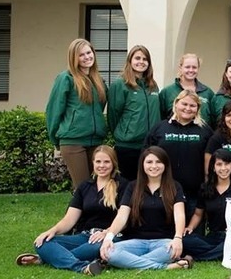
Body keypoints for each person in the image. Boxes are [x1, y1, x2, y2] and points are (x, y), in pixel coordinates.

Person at [16, 146, 127, 275]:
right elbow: (70, 219)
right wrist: (52, 231)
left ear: (113, 163)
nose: (102, 165)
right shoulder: (84, 187)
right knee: (42, 243)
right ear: (93, 163)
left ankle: (46, 259)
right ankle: (81, 267)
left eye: (106, 162)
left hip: (110, 237)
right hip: (85, 236)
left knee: (91, 249)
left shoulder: (123, 185)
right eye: (98, 162)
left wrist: (107, 233)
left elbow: (124, 218)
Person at [100, 146, 192, 271]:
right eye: (149, 162)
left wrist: (177, 238)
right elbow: (122, 216)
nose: (154, 166)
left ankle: (127, 262)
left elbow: (179, 215)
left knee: (170, 251)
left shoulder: (175, 186)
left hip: (164, 242)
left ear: (165, 165)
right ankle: (166, 267)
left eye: (158, 162)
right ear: (142, 165)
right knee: (110, 252)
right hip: (136, 241)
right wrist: (109, 237)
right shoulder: (133, 186)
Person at [45, 38, 108, 189]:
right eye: (81, 55)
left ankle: (91, 213)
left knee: (97, 186)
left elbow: (99, 107)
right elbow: (53, 111)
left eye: (89, 52)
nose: (87, 57)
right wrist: (56, 139)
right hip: (73, 142)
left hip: (95, 142)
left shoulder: (98, 80)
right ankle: (73, 213)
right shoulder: (65, 78)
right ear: (74, 58)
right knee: (82, 188)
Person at [146, 90, 214, 220]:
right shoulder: (160, 128)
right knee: (167, 236)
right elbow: (146, 157)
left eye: (193, 105)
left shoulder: (205, 131)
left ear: (198, 108)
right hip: (164, 192)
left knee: (192, 236)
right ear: (176, 104)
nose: (188, 108)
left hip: (194, 193)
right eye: (184, 104)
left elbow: (212, 160)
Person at [183, 149, 231, 261]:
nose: (223, 168)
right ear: (213, 167)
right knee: (185, 241)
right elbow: (198, 214)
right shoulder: (205, 188)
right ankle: (220, 253)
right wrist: (190, 227)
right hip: (213, 236)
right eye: (219, 164)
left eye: (227, 164)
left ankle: (197, 257)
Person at [108, 45, 161, 180]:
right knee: (127, 186)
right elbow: (114, 114)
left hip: (150, 145)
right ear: (130, 61)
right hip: (128, 147)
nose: (141, 62)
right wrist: (124, 133)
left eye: (145, 59)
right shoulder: (120, 84)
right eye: (137, 58)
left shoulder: (152, 86)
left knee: (146, 185)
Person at [159, 53, 214, 126]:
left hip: (203, 136)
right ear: (180, 68)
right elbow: (161, 119)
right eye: (187, 67)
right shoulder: (167, 92)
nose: (191, 70)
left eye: (194, 67)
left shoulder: (207, 93)